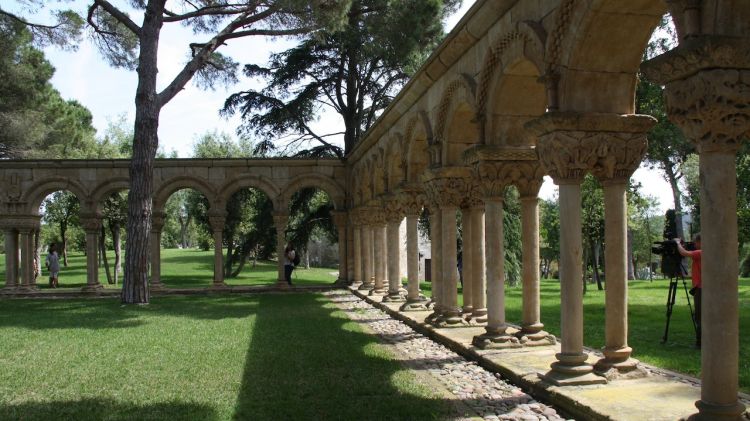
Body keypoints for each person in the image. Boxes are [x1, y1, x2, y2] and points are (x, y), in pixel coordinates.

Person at [675, 233, 701, 348]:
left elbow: (684, 253)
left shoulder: (700, 252)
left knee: (700, 316)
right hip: (700, 286)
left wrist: (677, 243)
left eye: (695, 242)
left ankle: (700, 342)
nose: (694, 245)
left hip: (701, 288)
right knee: (700, 315)